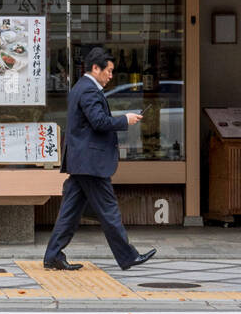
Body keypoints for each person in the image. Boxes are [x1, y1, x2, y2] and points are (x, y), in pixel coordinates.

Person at [42, 47, 156, 272]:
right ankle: (128, 256)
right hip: (90, 163)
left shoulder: (81, 88)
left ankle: (53, 255)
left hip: (83, 162)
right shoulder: (88, 90)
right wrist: (125, 119)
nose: (111, 76)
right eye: (109, 71)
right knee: (109, 210)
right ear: (96, 68)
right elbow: (99, 122)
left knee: (70, 212)